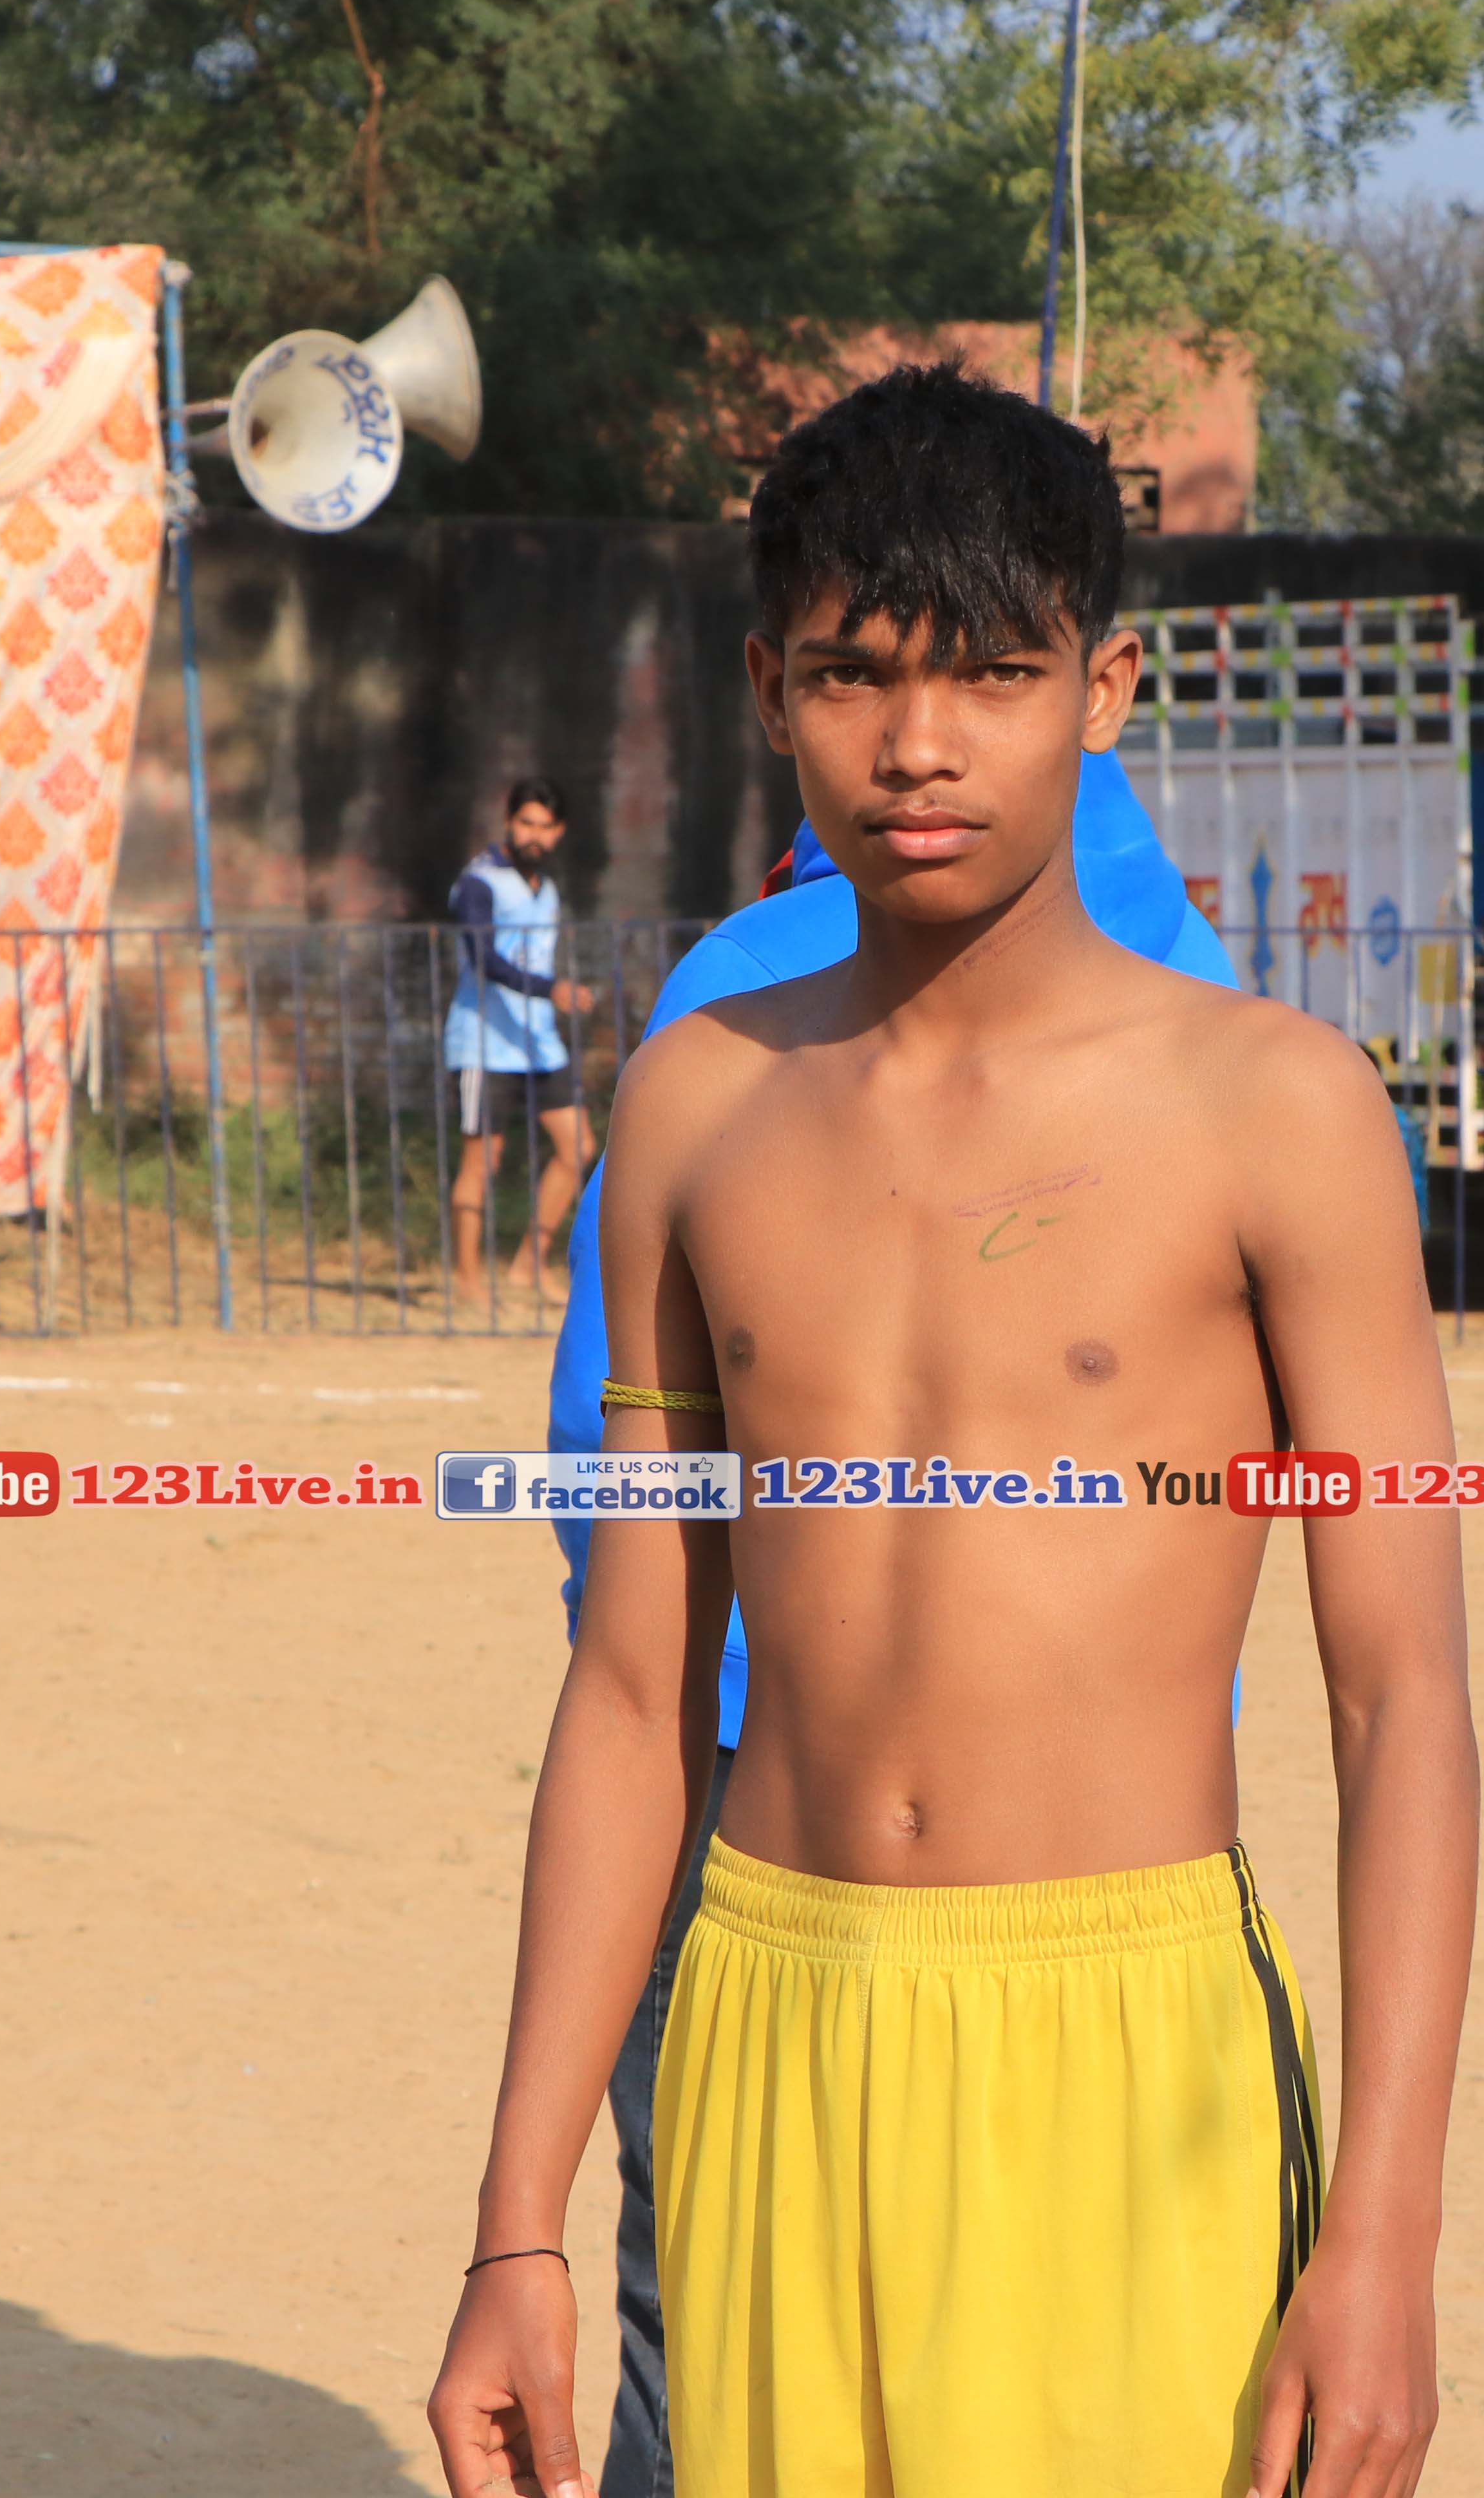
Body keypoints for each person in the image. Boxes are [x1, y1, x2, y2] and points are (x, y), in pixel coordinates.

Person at [427, 364, 1479, 2498]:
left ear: (1104, 689)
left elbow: (1403, 1703)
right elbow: (631, 1692)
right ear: (771, 689)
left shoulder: (1276, 1112)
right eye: (856, 674)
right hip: (767, 2016)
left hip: (1130, 2038)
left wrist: (1384, 2236)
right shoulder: (694, 1106)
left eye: (995, 673)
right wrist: (518, 2220)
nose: (919, 746)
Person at [535, 757, 1241, 2498]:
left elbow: (609, 1503)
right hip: (1043, 1839)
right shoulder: (1212, 994)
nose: (920, 741)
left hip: (802, 1809)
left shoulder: (737, 1002)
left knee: (696, 2312)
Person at [447, 779, 603, 1303]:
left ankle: (528, 1265)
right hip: (485, 1041)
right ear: (509, 822)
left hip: (538, 1042)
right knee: (482, 1162)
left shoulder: (546, 888)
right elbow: (483, 960)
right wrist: (549, 989)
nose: (533, 835)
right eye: (525, 823)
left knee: (578, 1147)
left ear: (559, 832)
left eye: (544, 826)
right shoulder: (480, 883)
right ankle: (468, 1282)